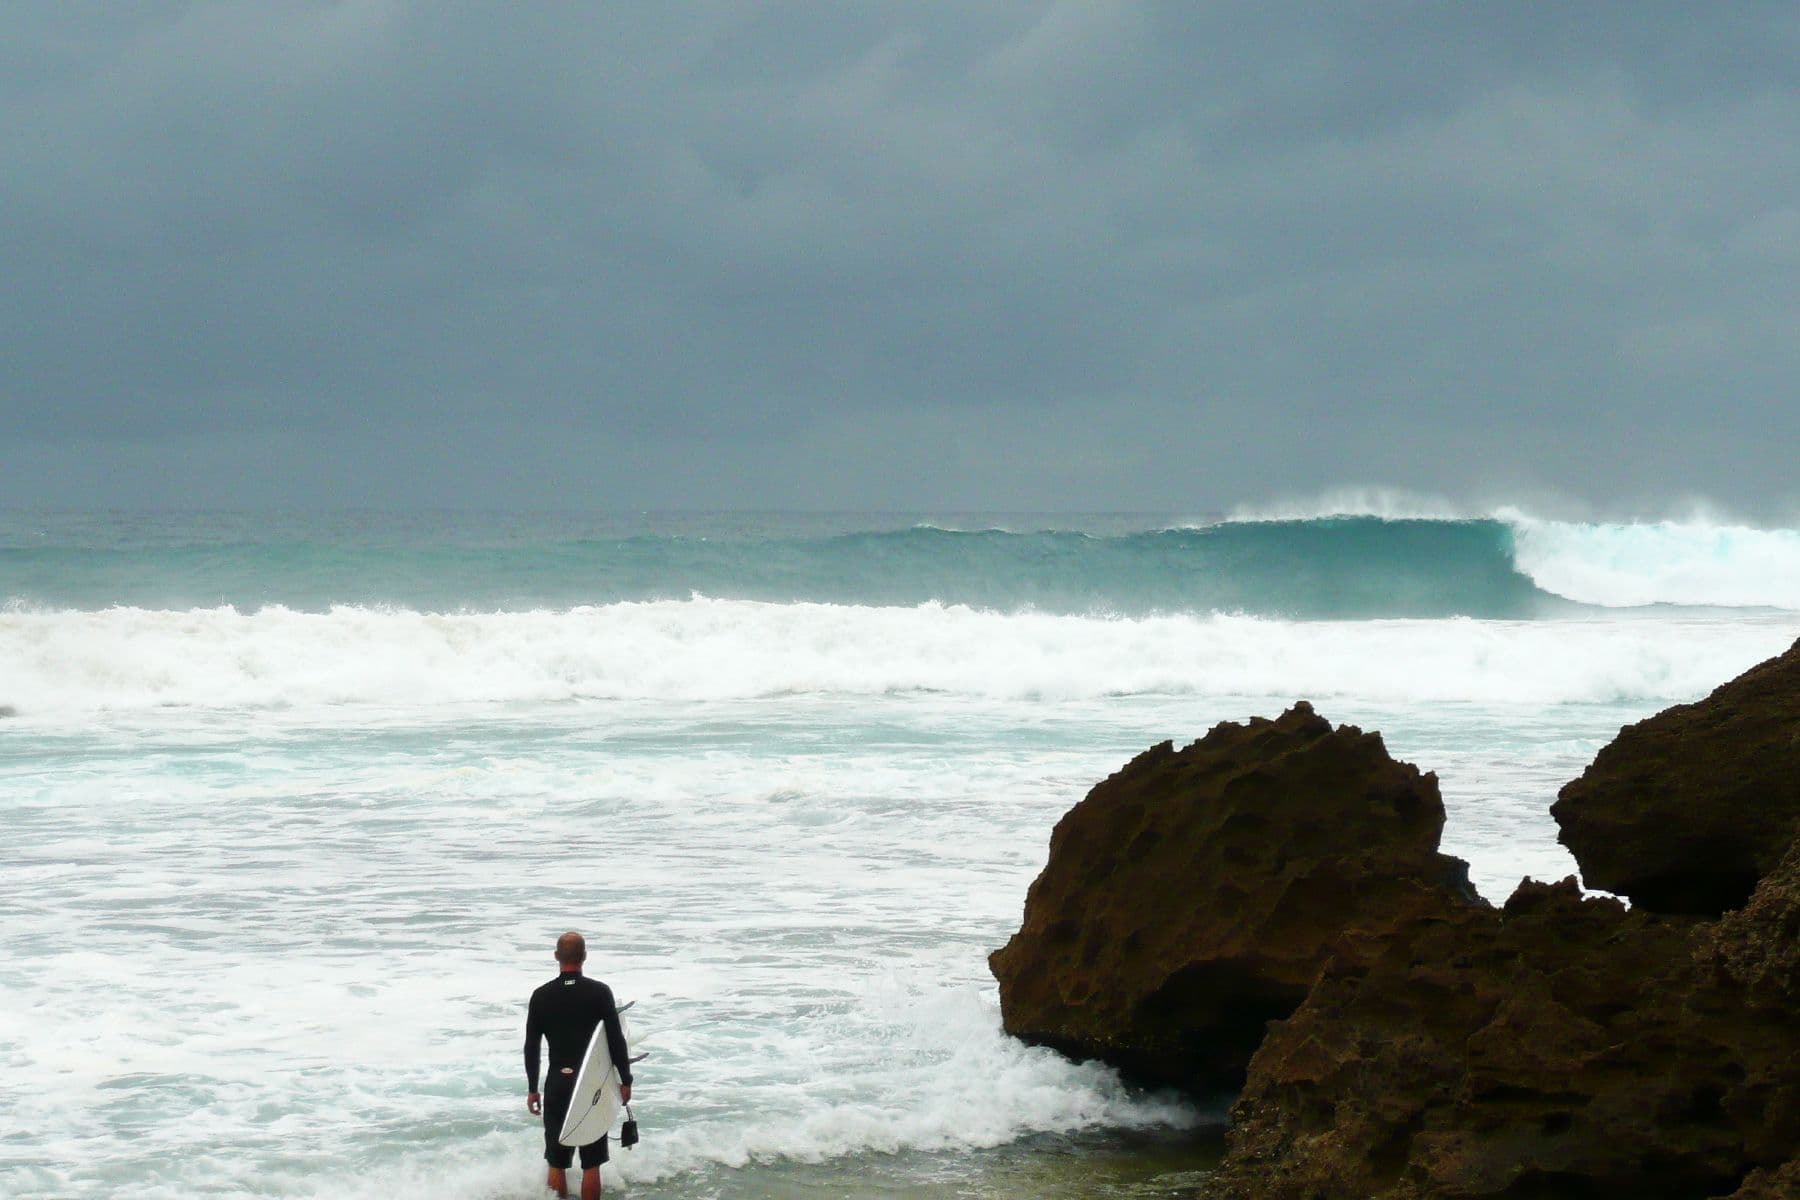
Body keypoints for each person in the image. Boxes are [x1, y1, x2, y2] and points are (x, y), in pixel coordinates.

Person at [524, 931, 633, 1200]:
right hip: (589, 1084)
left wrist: (532, 1089)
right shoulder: (599, 992)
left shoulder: (540, 996)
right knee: (591, 1163)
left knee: (557, 1161)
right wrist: (625, 1080)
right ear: (584, 957)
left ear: (556, 957)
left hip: (558, 1084)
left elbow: (532, 1047)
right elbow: (616, 1041)